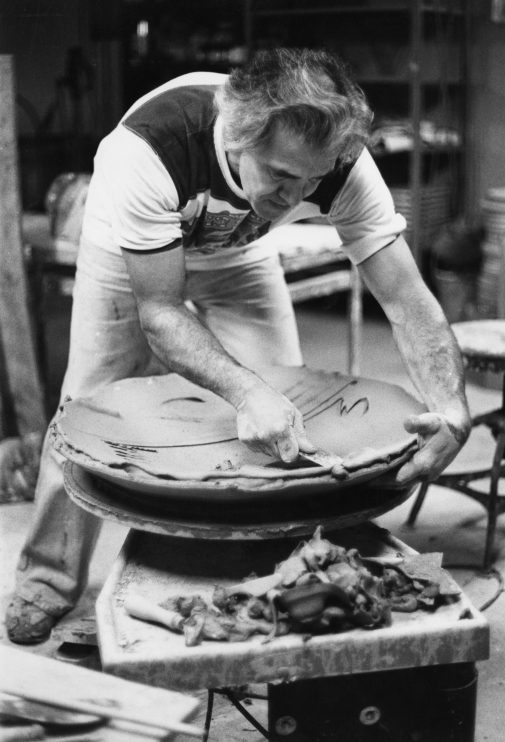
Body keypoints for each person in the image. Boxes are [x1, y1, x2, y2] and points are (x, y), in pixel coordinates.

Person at [6, 48, 471, 644]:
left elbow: (407, 299)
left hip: (239, 250)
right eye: (281, 176)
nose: (297, 194)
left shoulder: (341, 163)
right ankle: (47, 581)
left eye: (311, 180)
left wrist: (452, 406)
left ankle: (276, 572)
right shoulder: (149, 150)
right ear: (238, 135)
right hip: (132, 254)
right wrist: (244, 387)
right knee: (89, 405)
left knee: (288, 405)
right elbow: (162, 313)